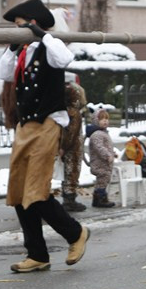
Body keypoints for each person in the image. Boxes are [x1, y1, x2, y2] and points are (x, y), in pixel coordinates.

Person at [0, 0, 89, 273]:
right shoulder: (24, 53)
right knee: (18, 191)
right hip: (26, 125)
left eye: (19, 25)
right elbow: (3, 72)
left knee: (36, 191)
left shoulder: (49, 48)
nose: (17, 29)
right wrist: (13, 47)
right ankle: (37, 253)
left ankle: (75, 233)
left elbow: (65, 58)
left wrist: (43, 36)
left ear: (33, 23)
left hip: (48, 123)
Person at [59, 80, 88, 212]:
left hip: (71, 147)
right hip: (73, 148)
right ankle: (69, 200)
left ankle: (68, 197)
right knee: (72, 172)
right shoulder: (73, 113)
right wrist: (64, 147)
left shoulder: (67, 111)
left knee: (68, 173)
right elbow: (71, 132)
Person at [86, 109, 117, 208]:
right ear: (96, 120)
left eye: (106, 119)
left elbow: (105, 146)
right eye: (102, 119)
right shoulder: (97, 134)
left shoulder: (102, 133)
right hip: (99, 163)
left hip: (104, 163)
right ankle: (100, 199)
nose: (105, 121)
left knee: (103, 181)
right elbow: (99, 147)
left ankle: (99, 199)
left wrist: (112, 153)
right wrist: (107, 155)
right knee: (102, 180)